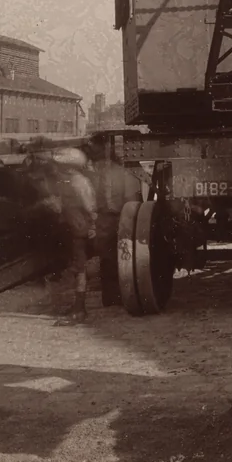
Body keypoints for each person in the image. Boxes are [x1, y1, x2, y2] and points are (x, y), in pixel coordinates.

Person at [86, 133, 142, 306]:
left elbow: (131, 201)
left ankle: (115, 296)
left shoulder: (120, 174)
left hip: (116, 219)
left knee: (114, 259)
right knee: (112, 259)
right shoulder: (115, 174)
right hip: (109, 219)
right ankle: (113, 296)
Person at [48, 147, 97, 325]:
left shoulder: (79, 182)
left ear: (68, 166)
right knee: (76, 268)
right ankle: (77, 305)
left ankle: (80, 309)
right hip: (71, 228)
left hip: (79, 229)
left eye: (58, 165)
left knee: (80, 268)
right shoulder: (66, 181)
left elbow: (90, 208)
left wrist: (92, 226)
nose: (55, 168)